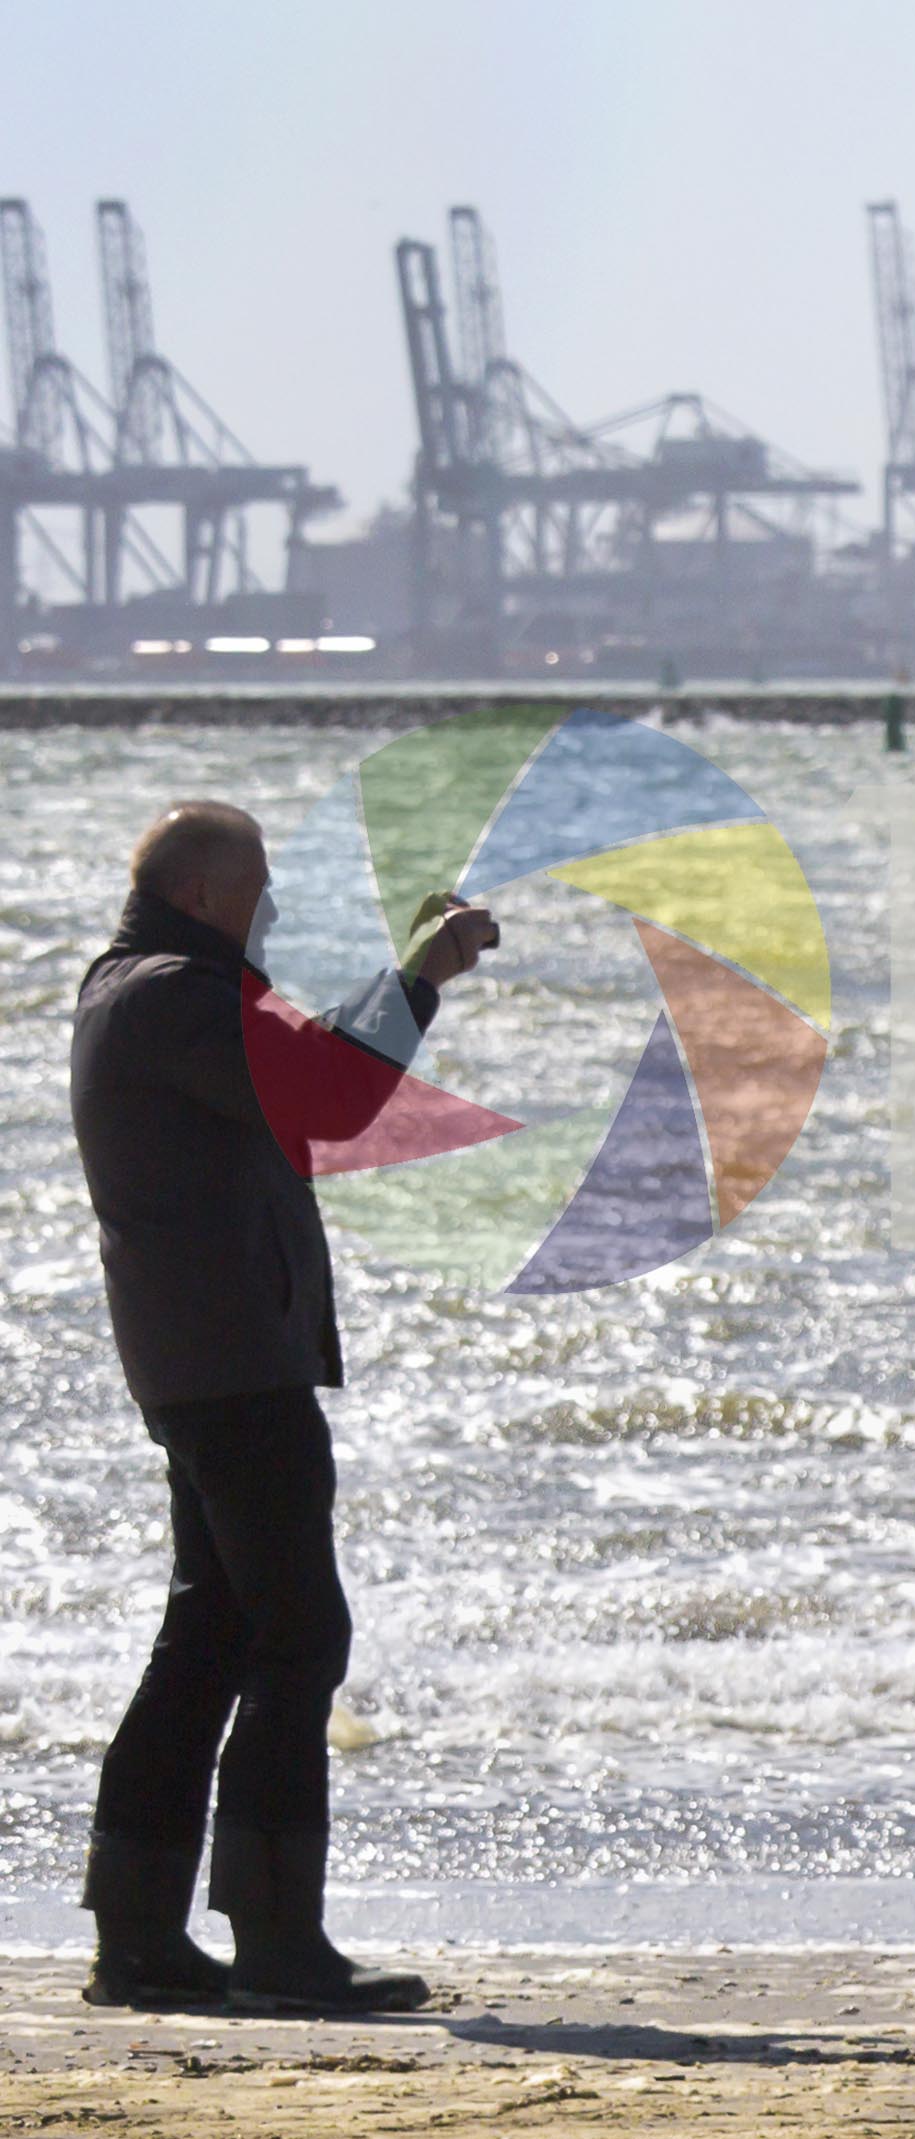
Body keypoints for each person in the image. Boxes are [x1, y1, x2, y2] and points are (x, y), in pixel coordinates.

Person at [71, 802, 495, 2016]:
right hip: (229, 1365)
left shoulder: (152, 985)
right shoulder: (172, 993)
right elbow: (332, 1095)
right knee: (300, 1634)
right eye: (256, 887)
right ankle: (273, 1937)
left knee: (209, 1635)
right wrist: (418, 971)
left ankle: (140, 1935)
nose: (270, 908)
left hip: (203, 1356)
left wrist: (413, 977)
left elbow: (319, 1075)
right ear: (202, 892)